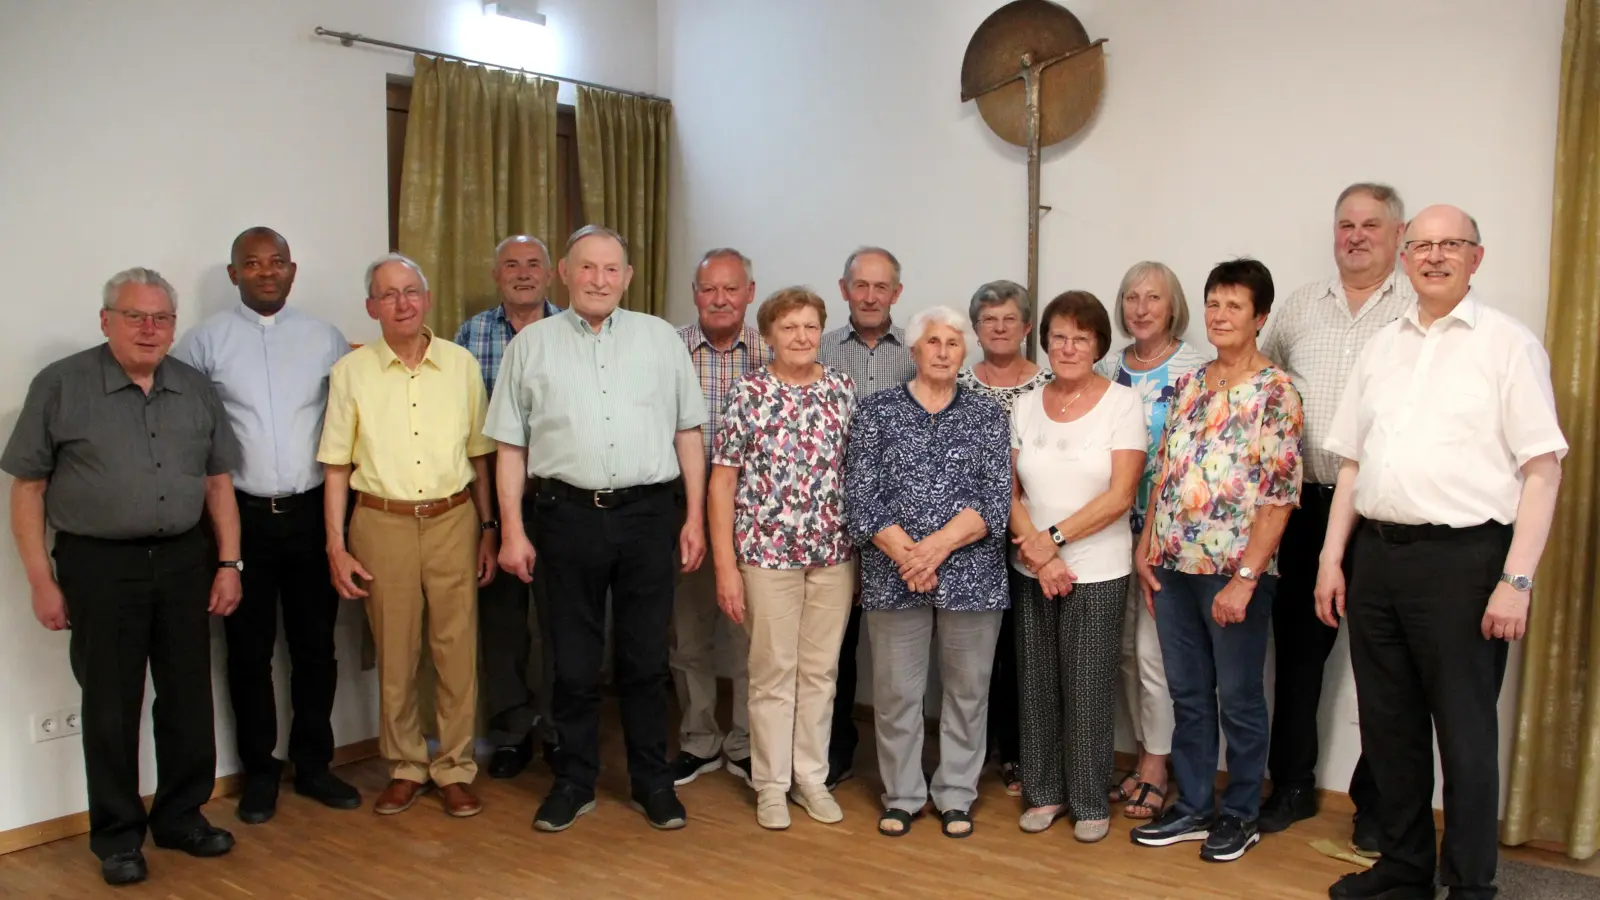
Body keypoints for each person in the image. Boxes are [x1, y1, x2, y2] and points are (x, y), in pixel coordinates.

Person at [1319, 206, 1566, 900]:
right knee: (1389, 729)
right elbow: (1353, 465)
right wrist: (1332, 558)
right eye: (1422, 245)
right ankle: (1402, 870)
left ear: (1476, 258)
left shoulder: (1507, 345)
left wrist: (1516, 579)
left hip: (1467, 564)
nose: (1433, 256)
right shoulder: (1383, 347)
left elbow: (1543, 469)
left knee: (1463, 737)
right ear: (1405, 256)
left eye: (1449, 244)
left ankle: (1469, 886)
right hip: (1378, 559)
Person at [3, 268, 243, 885]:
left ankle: (182, 817)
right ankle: (116, 837)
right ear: (105, 319)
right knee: (110, 706)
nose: (149, 329)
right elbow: (27, 489)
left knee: (188, 697)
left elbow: (218, 483)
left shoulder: (194, 387)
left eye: (162, 318)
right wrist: (39, 579)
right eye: (135, 316)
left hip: (186, 560)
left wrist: (228, 563)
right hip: (98, 566)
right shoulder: (61, 385)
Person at [488, 225, 709, 833]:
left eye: (612, 269)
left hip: (647, 517)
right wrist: (512, 530)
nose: (599, 280)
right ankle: (575, 781)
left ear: (628, 277)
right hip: (564, 517)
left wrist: (693, 518)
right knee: (574, 662)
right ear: (565, 271)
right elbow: (510, 446)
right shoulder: (530, 347)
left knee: (643, 660)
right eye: (588, 268)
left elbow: (688, 432)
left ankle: (651, 782)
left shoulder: (661, 340)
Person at [172, 227, 357, 824]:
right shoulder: (202, 345)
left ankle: (315, 765)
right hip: (240, 521)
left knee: (315, 649)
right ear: (234, 275)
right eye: (252, 264)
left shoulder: (325, 338)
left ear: (293, 270)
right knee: (248, 654)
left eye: (276, 262)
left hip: (311, 515)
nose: (266, 272)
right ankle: (260, 773)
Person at [1130, 258, 1303, 863]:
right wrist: (1146, 544)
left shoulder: (1275, 391)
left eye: (1235, 305)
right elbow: (1165, 474)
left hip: (1236, 576)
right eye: (1213, 303)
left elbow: (1279, 496)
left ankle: (1240, 812)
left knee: (1240, 697)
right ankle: (1194, 804)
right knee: (1189, 694)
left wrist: (1248, 578)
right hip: (1173, 569)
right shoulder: (1188, 385)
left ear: (1260, 316)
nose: (1221, 315)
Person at [1258, 183, 1412, 847]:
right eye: (1345, 224)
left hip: (1383, 513)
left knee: (1386, 663)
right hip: (1307, 504)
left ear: (1398, 235)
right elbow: (1267, 392)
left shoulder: (1416, 313)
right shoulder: (1299, 308)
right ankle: (1290, 784)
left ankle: (1377, 804)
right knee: (1295, 656)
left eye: (1370, 225)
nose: (1355, 236)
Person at [317, 253, 498, 819]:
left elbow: (480, 455)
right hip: (381, 523)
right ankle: (405, 766)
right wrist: (336, 545)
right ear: (372, 307)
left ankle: (454, 768)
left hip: (454, 520)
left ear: (427, 298)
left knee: (455, 651)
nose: (402, 303)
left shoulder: (462, 364)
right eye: (388, 294)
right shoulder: (351, 373)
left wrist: (489, 529)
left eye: (411, 291)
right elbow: (336, 467)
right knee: (396, 654)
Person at [844, 306, 1012, 840]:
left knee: (968, 691)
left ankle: (956, 794)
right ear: (913, 350)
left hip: (970, 575)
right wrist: (907, 555)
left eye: (953, 343)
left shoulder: (988, 415)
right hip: (894, 573)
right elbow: (860, 500)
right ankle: (903, 795)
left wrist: (932, 550)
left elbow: (995, 501)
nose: (942, 351)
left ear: (965, 353)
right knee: (896, 693)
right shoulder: (875, 412)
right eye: (932, 342)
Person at [708, 287, 856, 830]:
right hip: (766, 557)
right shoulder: (748, 392)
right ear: (768, 335)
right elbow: (721, 484)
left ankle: (810, 780)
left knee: (821, 673)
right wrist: (726, 565)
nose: (801, 337)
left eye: (810, 327)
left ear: (822, 332)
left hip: (833, 555)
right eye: (789, 327)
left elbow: (854, 474)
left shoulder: (841, 388)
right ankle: (770, 784)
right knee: (773, 674)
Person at [1009, 291, 1146, 842]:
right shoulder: (1025, 402)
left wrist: (1055, 541)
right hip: (1032, 567)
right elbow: (1008, 490)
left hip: (1097, 568)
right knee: (1037, 684)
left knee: (1088, 687)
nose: (1068, 347)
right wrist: (1039, 553)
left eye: (1081, 338)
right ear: (1045, 341)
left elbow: (1121, 495)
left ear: (1098, 345)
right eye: (1059, 336)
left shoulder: (1121, 402)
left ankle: (1090, 799)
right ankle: (1044, 794)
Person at [1094, 261, 1210, 820]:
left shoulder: (1197, 369)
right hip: (1106, 530)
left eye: (1153, 298)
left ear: (1173, 306)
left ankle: (1157, 766)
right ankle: (1141, 756)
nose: (1141, 308)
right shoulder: (1104, 368)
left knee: (1152, 654)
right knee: (1117, 652)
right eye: (1131, 297)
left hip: (1167, 534)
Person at [454, 234, 562, 780]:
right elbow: (463, 430)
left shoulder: (575, 331)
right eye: (511, 265)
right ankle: (512, 732)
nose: (523, 273)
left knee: (563, 622)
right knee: (504, 626)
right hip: (492, 501)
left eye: (533, 264)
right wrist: (491, 522)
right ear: (497, 276)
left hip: (561, 498)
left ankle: (561, 731)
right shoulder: (470, 336)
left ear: (552, 275)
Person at [671, 247, 769, 788]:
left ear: (750, 294)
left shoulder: (772, 352)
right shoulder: (670, 350)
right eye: (709, 289)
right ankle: (699, 739)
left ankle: (745, 742)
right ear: (695, 294)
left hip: (753, 519)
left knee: (749, 638)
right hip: (683, 514)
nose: (720, 299)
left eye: (731, 289)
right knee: (689, 636)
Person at [820, 246, 917, 789]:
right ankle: (833, 748)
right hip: (832, 518)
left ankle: (902, 768)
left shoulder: (918, 352)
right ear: (844, 289)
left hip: (902, 528)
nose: (872, 296)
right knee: (834, 647)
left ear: (897, 294)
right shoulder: (821, 348)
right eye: (862, 285)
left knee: (898, 653)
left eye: (883, 287)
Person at [956, 278, 1051, 797]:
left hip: (1028, 538)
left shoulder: (1051, 383)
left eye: (1008, 319)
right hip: (966, 541)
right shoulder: (957, 383)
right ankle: (975, 752)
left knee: (1022, 650)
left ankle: (1018, 752)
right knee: (974, 656)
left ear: (1027, 327)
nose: (998, 327)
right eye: (988, 319)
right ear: (975, 329)